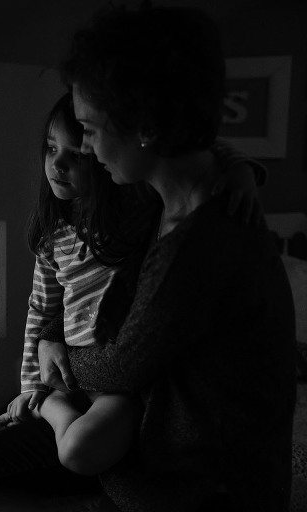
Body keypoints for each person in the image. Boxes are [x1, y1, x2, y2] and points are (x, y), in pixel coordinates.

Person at [0, 86, 267, 510]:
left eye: (77, 153)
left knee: (80, 451)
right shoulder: (53, 235)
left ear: (101, 157)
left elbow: (190, 153)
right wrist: (31, 387)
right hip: (69, 380)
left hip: (117, 388)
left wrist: (240, 170)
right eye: (50, 149)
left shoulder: (138, 213)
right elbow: (41, 310)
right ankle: (49, 407)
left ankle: (53, 412)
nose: (57, 164)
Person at [33, 3, 295, 511]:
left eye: (90, 129)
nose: (86, 148)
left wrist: (58, 356)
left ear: (145, 127)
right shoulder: (175, 198)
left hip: (201, 491)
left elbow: (120, 367)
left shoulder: (199, 244)